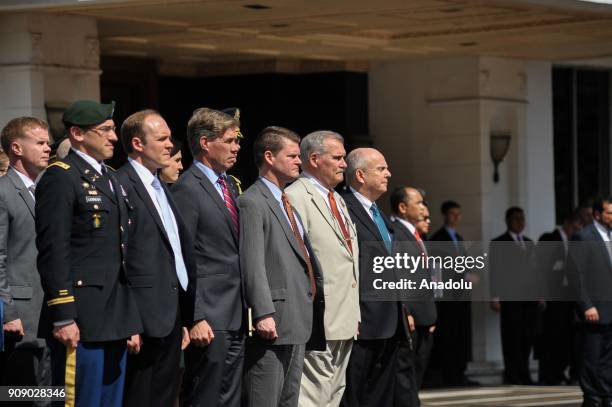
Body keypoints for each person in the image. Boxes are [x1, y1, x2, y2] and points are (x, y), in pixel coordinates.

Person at [35, 100, 142, 407]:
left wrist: (129, 320)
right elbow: (54, 250)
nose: (112, 137)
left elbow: (119, 253)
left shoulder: (109, 176)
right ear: (77, 134)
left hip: (114, 315)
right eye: (104, 130)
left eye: (112, 129)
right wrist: (63, 315)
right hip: (81, 316)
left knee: (110, 400)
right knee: (79, 399)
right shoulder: (61, 176)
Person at [117, 110, 201, 406]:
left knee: (166, 397)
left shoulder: (161, 187)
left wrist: (183, 315)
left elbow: (174, 253)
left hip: (170, 315)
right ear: (138, 144)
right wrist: (128, 321)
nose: (170, 145)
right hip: (141, 320)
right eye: (162, 138)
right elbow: (120, 258)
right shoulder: (121, 185)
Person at [239, 126, 324, 407]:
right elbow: (253, 262)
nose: (299, 161)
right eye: (292, 156)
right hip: (273, 321)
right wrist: (263, 312)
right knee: (265, 398)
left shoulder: (287, 201)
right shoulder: (253, 202)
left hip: (299, 318)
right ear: (269, 157)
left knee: (289, 400)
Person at [172, 107, 244, 407]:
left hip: (236, 311)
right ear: (205, 143)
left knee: (229, 397)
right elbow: (185, 257)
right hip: (210, 315)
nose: (236, 147)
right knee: (206, 396)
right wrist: (196, 316)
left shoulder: (228, 184)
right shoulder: (187, 188)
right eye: (229, 141)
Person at [285, 130, 359, 407]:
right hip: (317, 317)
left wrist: (355, 312)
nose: (344, 164)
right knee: (312, 396)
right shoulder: (294, 197)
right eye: (338, 158)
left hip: (346, 317)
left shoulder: (337, 198)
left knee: (333, 394)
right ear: (314, 159)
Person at [340, 148, 400, 407]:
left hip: (389, 321)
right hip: (361, 322)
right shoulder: (342, 206)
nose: (388, 173)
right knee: (355, 394)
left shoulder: (378, 213)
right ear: (361, 175)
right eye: (381, 169)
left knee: (382, 396)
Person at [0, 117, 52, 399]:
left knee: (52, 395)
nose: (48, 148)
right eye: (40, 143)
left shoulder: (46, 190)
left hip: (51, 315)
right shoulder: (3, 192)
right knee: (19, 395)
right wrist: (8, 313)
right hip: (21, 318)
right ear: (17, 148)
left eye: (48, 142)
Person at [390, 186, 435, 407]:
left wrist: (431, 314)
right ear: (402, 207)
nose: (424, 208)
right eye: (419, 203)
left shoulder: (417, 235)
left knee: (417, 373)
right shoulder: (396, 232)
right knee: (405, 375)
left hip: (424, 319)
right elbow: (398, 275)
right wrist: (405, 310)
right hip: (410, 320)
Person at [568, 197, 612, 407]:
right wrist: (586, 305)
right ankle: (592, 398)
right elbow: (576, 276)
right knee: (591, 358)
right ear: (597, 214)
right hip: (594, 310)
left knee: (608, 360)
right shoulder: (582, 237)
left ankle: (606, 395)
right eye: (609, 213)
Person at [429, 200, 477, 387]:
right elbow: (438, 270)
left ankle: (460, 372)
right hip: (448, 298)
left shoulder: (459, 238)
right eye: (452, 214)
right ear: (445, 215)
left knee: (462, 335)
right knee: (449, 335)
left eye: (459, 214)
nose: (456, 218)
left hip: (462, 297)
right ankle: (449, 374)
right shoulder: (438, 239)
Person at [489, 206, 538, 385]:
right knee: (512, 338)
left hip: (529, 299)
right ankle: (512, 374)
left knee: (527, 337)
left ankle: (524, 373)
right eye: (517, 219)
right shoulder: (498, 242)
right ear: (508, 221)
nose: (520, 222)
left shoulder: (529, 242)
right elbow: (496, 271)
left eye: (522, 219)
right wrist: (495, 296)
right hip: (510, 299)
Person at [537, 211, 582, 385]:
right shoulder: (549, 238)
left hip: (568, 297)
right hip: (553, 296)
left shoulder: (574, 242)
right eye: (573, 227)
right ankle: (550, 374)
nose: (574, 231)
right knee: (552, 335)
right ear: (567, 223)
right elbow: (541, 267)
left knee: (565, 336)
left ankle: (560, 370)